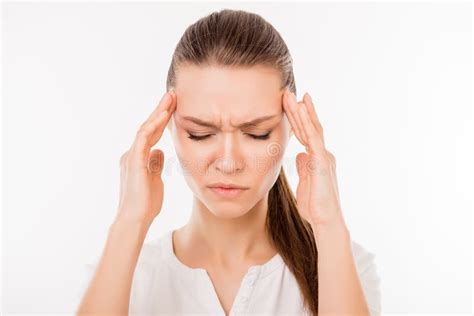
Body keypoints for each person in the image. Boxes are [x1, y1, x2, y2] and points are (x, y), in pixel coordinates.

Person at [76, 9, 381, 316]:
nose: (228, 163)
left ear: (294, 126)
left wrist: (328, 224)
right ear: (167, 125)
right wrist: (129, 221)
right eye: (200, 133)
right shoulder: (123, 275)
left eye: (257, 134)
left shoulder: (343, 267)